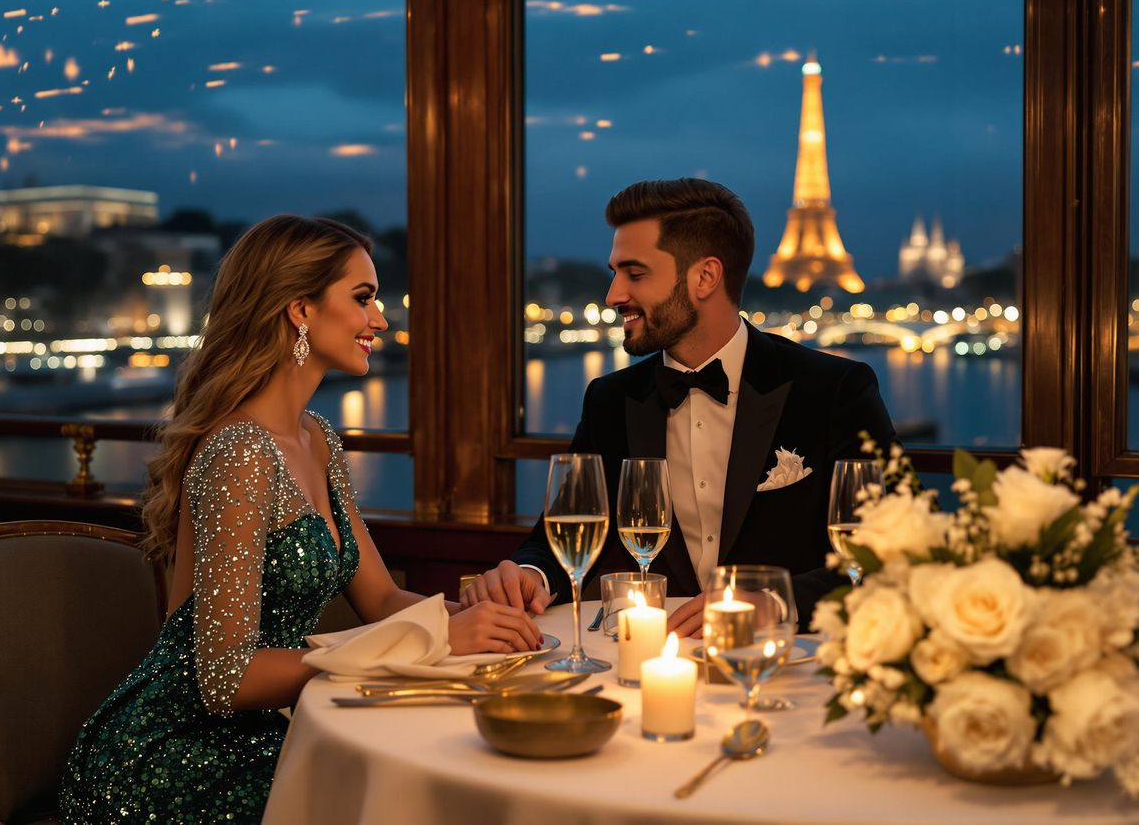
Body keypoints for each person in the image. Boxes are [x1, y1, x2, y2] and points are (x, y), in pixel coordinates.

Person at [60, 215, 543, 823]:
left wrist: (477, 616)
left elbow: (384, 598)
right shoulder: (239, 452)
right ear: (300, 310)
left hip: (264, 732)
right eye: (363, 298)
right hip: (179, 755)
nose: (381, 319)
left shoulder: (318, 439)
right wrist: (435, 644)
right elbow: (224, 678)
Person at [461, 178, 895, 635]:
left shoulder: (832, 390)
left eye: (635, 273)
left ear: (705, 277)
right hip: (650, 660)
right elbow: (561, 536)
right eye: (614, 272)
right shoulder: (611, 400)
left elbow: (890, 552)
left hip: (792, 666)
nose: (613, 294)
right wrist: (528, 575)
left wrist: (774, 604)